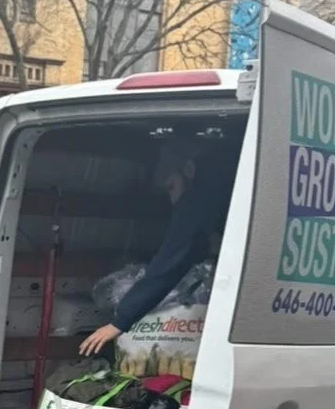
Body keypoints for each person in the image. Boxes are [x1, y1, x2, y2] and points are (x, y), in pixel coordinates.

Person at [79, 137, 236, 358]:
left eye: (171, 187)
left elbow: (173, 258)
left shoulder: (199, 196)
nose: (172, 200)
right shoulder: (227, 174)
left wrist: (120, 321)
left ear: (189, 170)